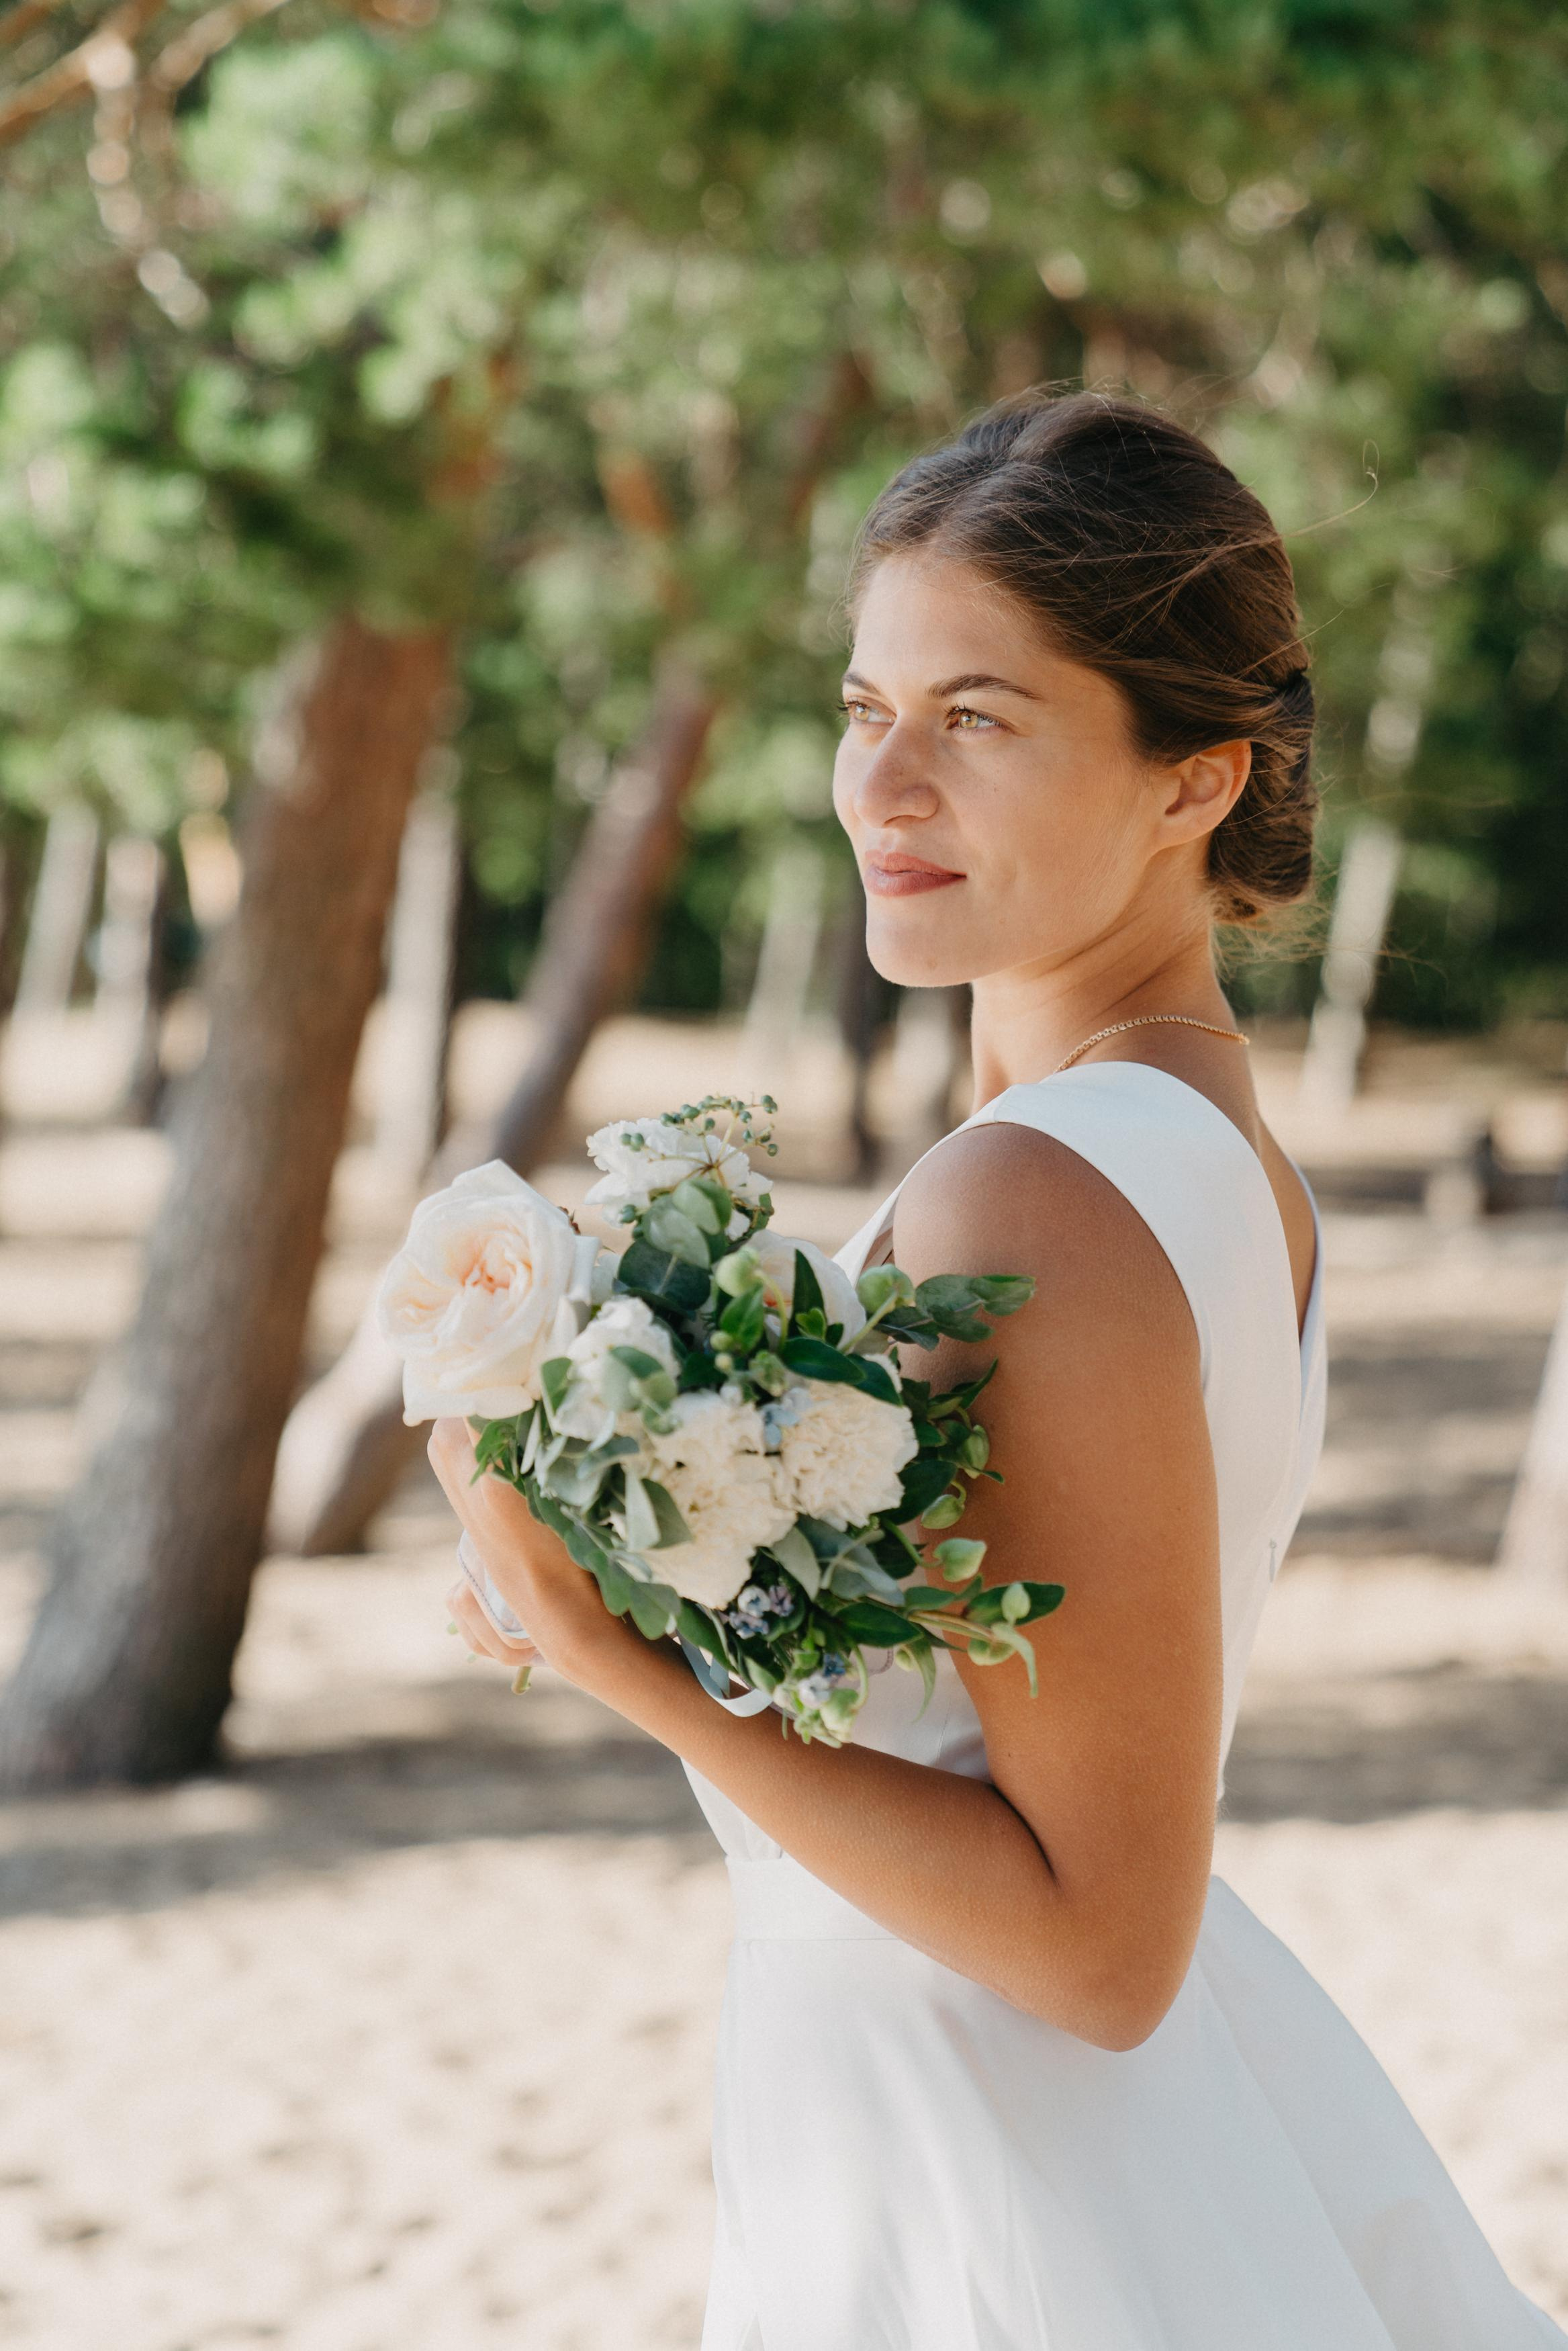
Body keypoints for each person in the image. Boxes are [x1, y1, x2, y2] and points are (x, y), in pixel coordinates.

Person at [434, 390, 1565, 2348]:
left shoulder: (1036, 1194)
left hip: (1004, 2191)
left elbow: (1103, 1942)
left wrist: (627, 1666)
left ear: (1194, 780)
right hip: (965, 2130)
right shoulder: (1189, 1157)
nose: (884, 788)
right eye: (868, 709)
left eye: (980, 719)